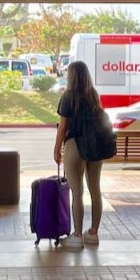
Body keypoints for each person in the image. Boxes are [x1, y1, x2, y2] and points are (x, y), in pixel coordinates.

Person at [53, 60, 104, 250]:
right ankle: (93, 233)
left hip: (75, 145)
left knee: (77, 193)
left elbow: (63, 127)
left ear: (72, 76)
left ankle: (77, 236)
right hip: (96, 146)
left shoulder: (68, 96)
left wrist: (57, 148)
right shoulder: (93, 95)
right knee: (95, 190)